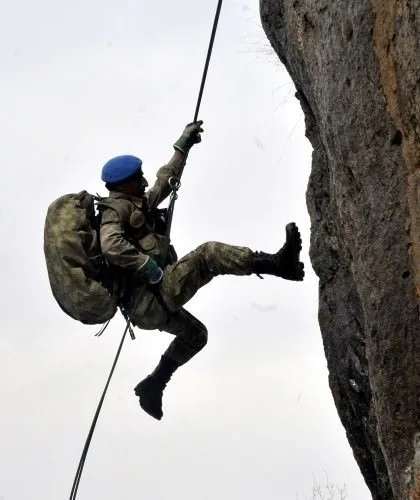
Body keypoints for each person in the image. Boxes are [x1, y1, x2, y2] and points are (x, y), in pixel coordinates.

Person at [99, 121, 304, 420]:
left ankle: (154, 384)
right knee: (207, 256)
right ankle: (276, 264)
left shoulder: (133, 202)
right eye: (137, 178)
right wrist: (148, 266)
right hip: (149, 299)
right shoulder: (114, 211)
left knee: (196, 335)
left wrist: (182, 147)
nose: (143, 181)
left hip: (151, 303)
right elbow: (110, 245)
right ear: (123, 184)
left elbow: (163, 182)